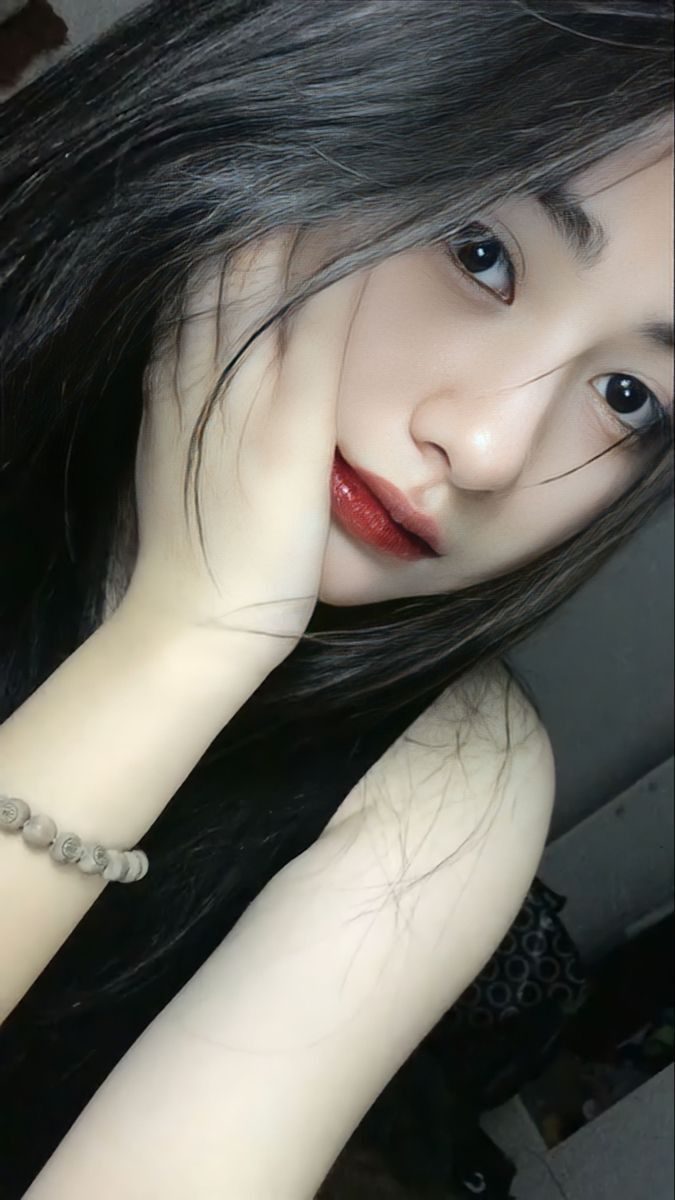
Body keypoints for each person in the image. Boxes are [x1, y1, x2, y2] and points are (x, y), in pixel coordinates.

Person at [0, 0, 672, 1196]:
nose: (488, 446)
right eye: (482, 252)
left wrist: (191, 640)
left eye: (630, 399)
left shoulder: (444, 786)